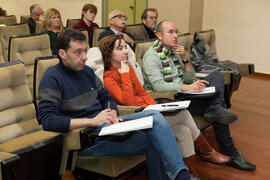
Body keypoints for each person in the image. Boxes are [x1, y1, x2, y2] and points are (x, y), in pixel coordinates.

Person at [38, 29, 191, 180]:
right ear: (62, 54)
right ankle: (182, 177)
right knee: (154, 122)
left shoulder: (86, 72)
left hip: (107, 128)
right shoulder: (52, 77)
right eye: (78, 52)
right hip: (86, 139)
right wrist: (92, 121)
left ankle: (179, 176)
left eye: (85, 51)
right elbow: (48, 120)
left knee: (155, 129)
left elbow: (106, 98)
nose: (85, 57)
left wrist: (113, 113)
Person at [99, 34, 230, 179]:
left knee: (184, 131)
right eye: (120, 48)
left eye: (125, 47)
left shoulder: (128, 68)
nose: (125, 51)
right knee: (183, 113)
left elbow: (143, 93)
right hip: (135, 118)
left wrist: (157, 108)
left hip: (150, 112)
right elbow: (127, 102)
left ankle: (192, 175)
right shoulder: (108, 78)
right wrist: (124, 75)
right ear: (109, 53)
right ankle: (206, 151)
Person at [142, 20, 256, 171]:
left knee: (217, 76)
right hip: (172, 101)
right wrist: (187, 87)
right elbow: (159, 86)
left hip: (185, 94)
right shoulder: (152, 57)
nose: (176, 35)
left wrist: (185, 59)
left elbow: (189, 77)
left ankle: (215, 108)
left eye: (177, 31)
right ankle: (231, 153)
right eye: (171, 32)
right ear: (159, 35)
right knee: (219, 109)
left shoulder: (175, 52)